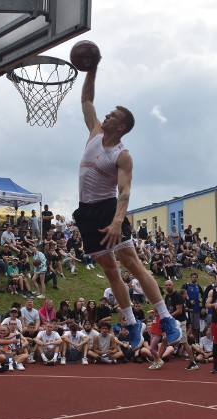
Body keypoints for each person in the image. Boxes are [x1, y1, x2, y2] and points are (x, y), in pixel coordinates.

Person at [73, 67, 181, 350]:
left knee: (131, 262)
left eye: (112, 116)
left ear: (120, 127)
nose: (106, 116)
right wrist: (93, 68)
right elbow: (86, 100)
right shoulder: (95, 133)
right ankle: (133, 323)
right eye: (107, 114)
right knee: (110, 270)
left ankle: (166, 318)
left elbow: (124, 192)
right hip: (86, 212)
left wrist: (118, 221)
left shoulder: (122, 155)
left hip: (109, 209)